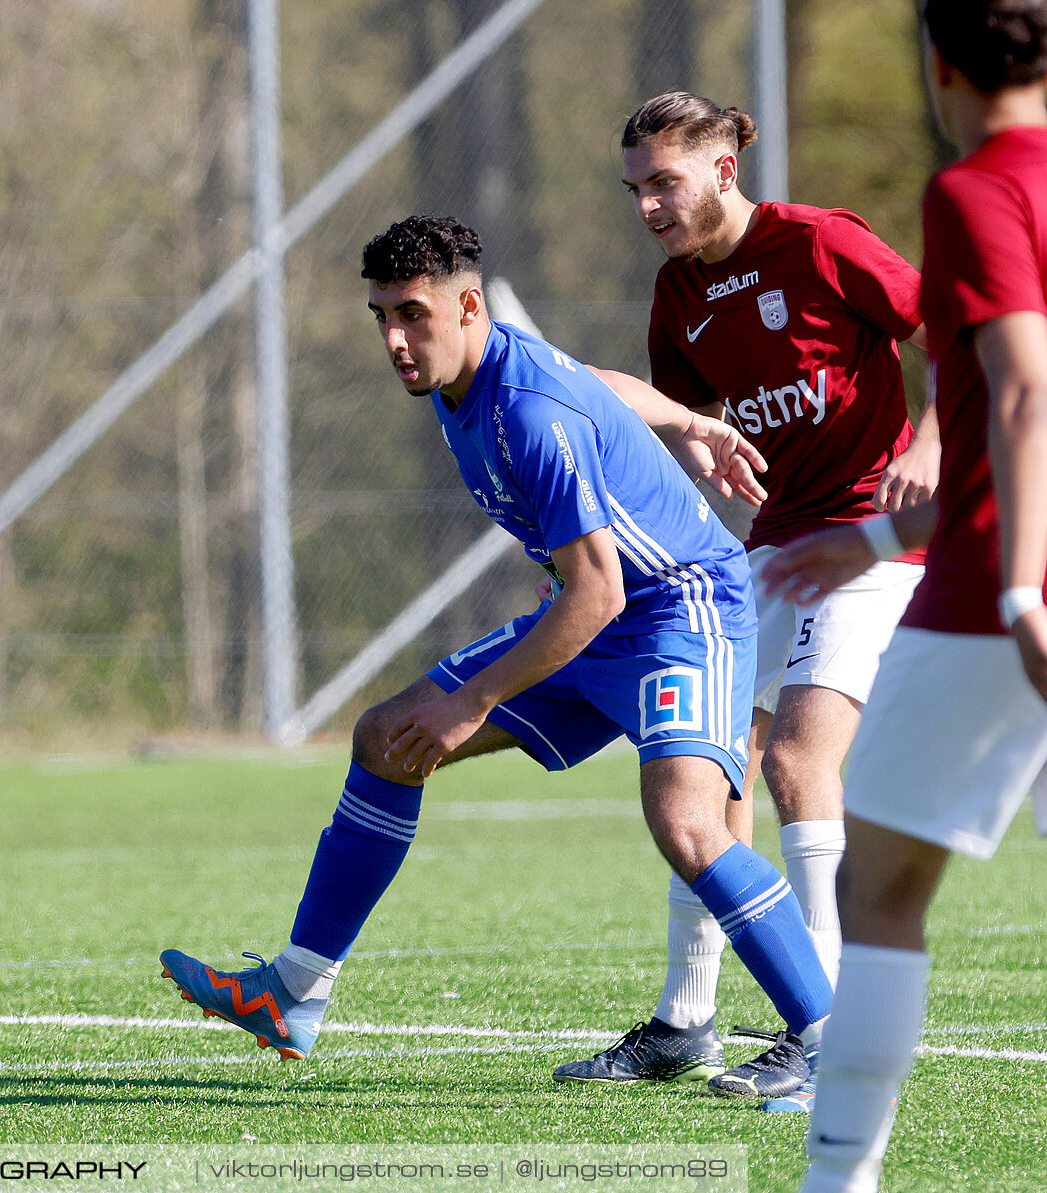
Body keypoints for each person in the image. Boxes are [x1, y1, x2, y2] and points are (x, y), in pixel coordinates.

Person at [158, 216, 831, 1091]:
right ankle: (294, 991)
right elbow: (596, 382)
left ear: (467, 304)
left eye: (413, 313)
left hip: (679, 607)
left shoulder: (526, 411)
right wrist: (687, 421)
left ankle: (829, 1043)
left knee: (688, 824)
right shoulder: (476, 368)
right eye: (380, 317)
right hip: (596, 613)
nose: (396, 339)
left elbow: (600, 588)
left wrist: (470, 702)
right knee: (385, 738)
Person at [551, 93, 936, 1112]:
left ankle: (834, 1024)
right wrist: (695, 443)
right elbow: (686, 411)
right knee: (707, 773)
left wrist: (934, 443)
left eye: (663, 183)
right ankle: (685, 1021)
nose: (648, 207)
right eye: (635, 189)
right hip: (767, 549)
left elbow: (954, 328)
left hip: (869, 539)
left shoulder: (818, 242)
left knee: (798, 760)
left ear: (724, 168)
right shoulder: (679, 293)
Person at [765, 4, 1047, 1188]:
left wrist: (1026, 588)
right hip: (982, 552)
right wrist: (879, 532)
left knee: (876, 891)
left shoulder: (977, 187)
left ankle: (839, 1177)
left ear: (940, 64)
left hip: (1000, 596)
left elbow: (1026, 392)